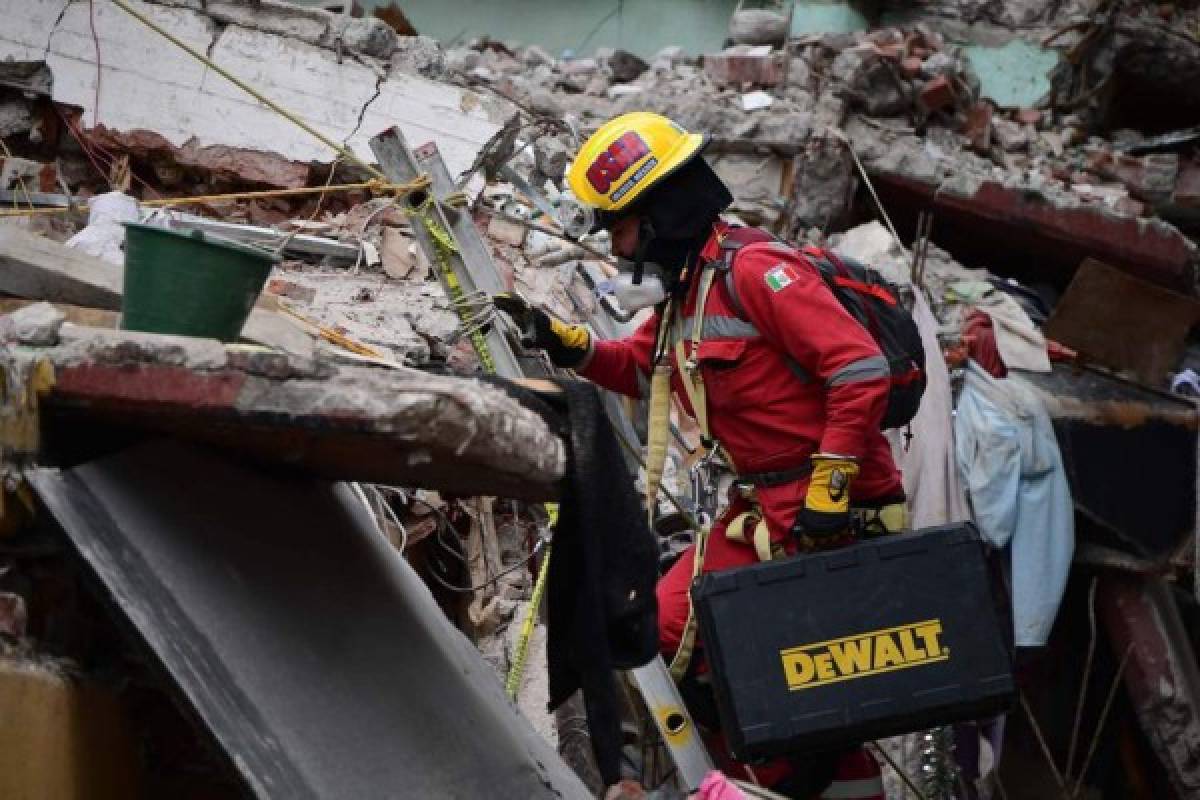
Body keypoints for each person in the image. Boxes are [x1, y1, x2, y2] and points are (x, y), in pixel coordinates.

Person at [497, 112, 904, 799]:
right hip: (762, 515)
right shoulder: (693, 286)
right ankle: (742, 783)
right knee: (662, 632)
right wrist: (570, 344)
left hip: (833, 517)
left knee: (800, 688)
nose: (620, 248)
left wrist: (830, 489)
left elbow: (860, 371)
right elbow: (643, 365)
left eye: (620, 227)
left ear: (660, 211)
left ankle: (795, 784)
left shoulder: (757, 270)